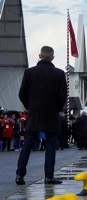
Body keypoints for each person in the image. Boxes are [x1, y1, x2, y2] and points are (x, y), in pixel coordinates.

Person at [16, 46, 68, 185]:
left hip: (34, 114)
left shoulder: (29, 72)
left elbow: (22, 94)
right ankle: (49, 176)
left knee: (27, 144)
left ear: (39, 55)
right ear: (52, 57)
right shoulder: (59, 73)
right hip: (51, 114)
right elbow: (63, 97)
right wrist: (55, 108)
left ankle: (20, 175)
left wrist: (30, 107)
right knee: (51, 144)